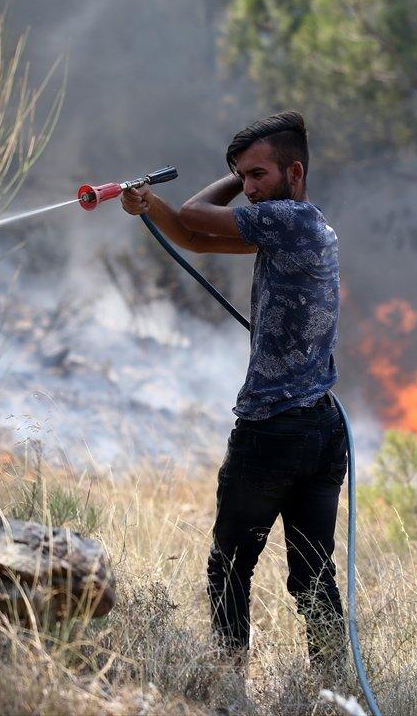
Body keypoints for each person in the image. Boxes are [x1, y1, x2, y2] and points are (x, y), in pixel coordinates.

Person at [120, 112, 348, 677]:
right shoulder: (297, 226)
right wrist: (151, 206)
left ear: (295, 173)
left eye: (258, 175)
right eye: (243, 178)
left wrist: (225, 177)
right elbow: (194, 236)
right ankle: (331, 684)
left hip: (273, 430)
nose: (249, 189)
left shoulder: (287, 219)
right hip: (319, 428)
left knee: (228, 567)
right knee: (313, 574)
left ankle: (229, 682)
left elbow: (199, 214)